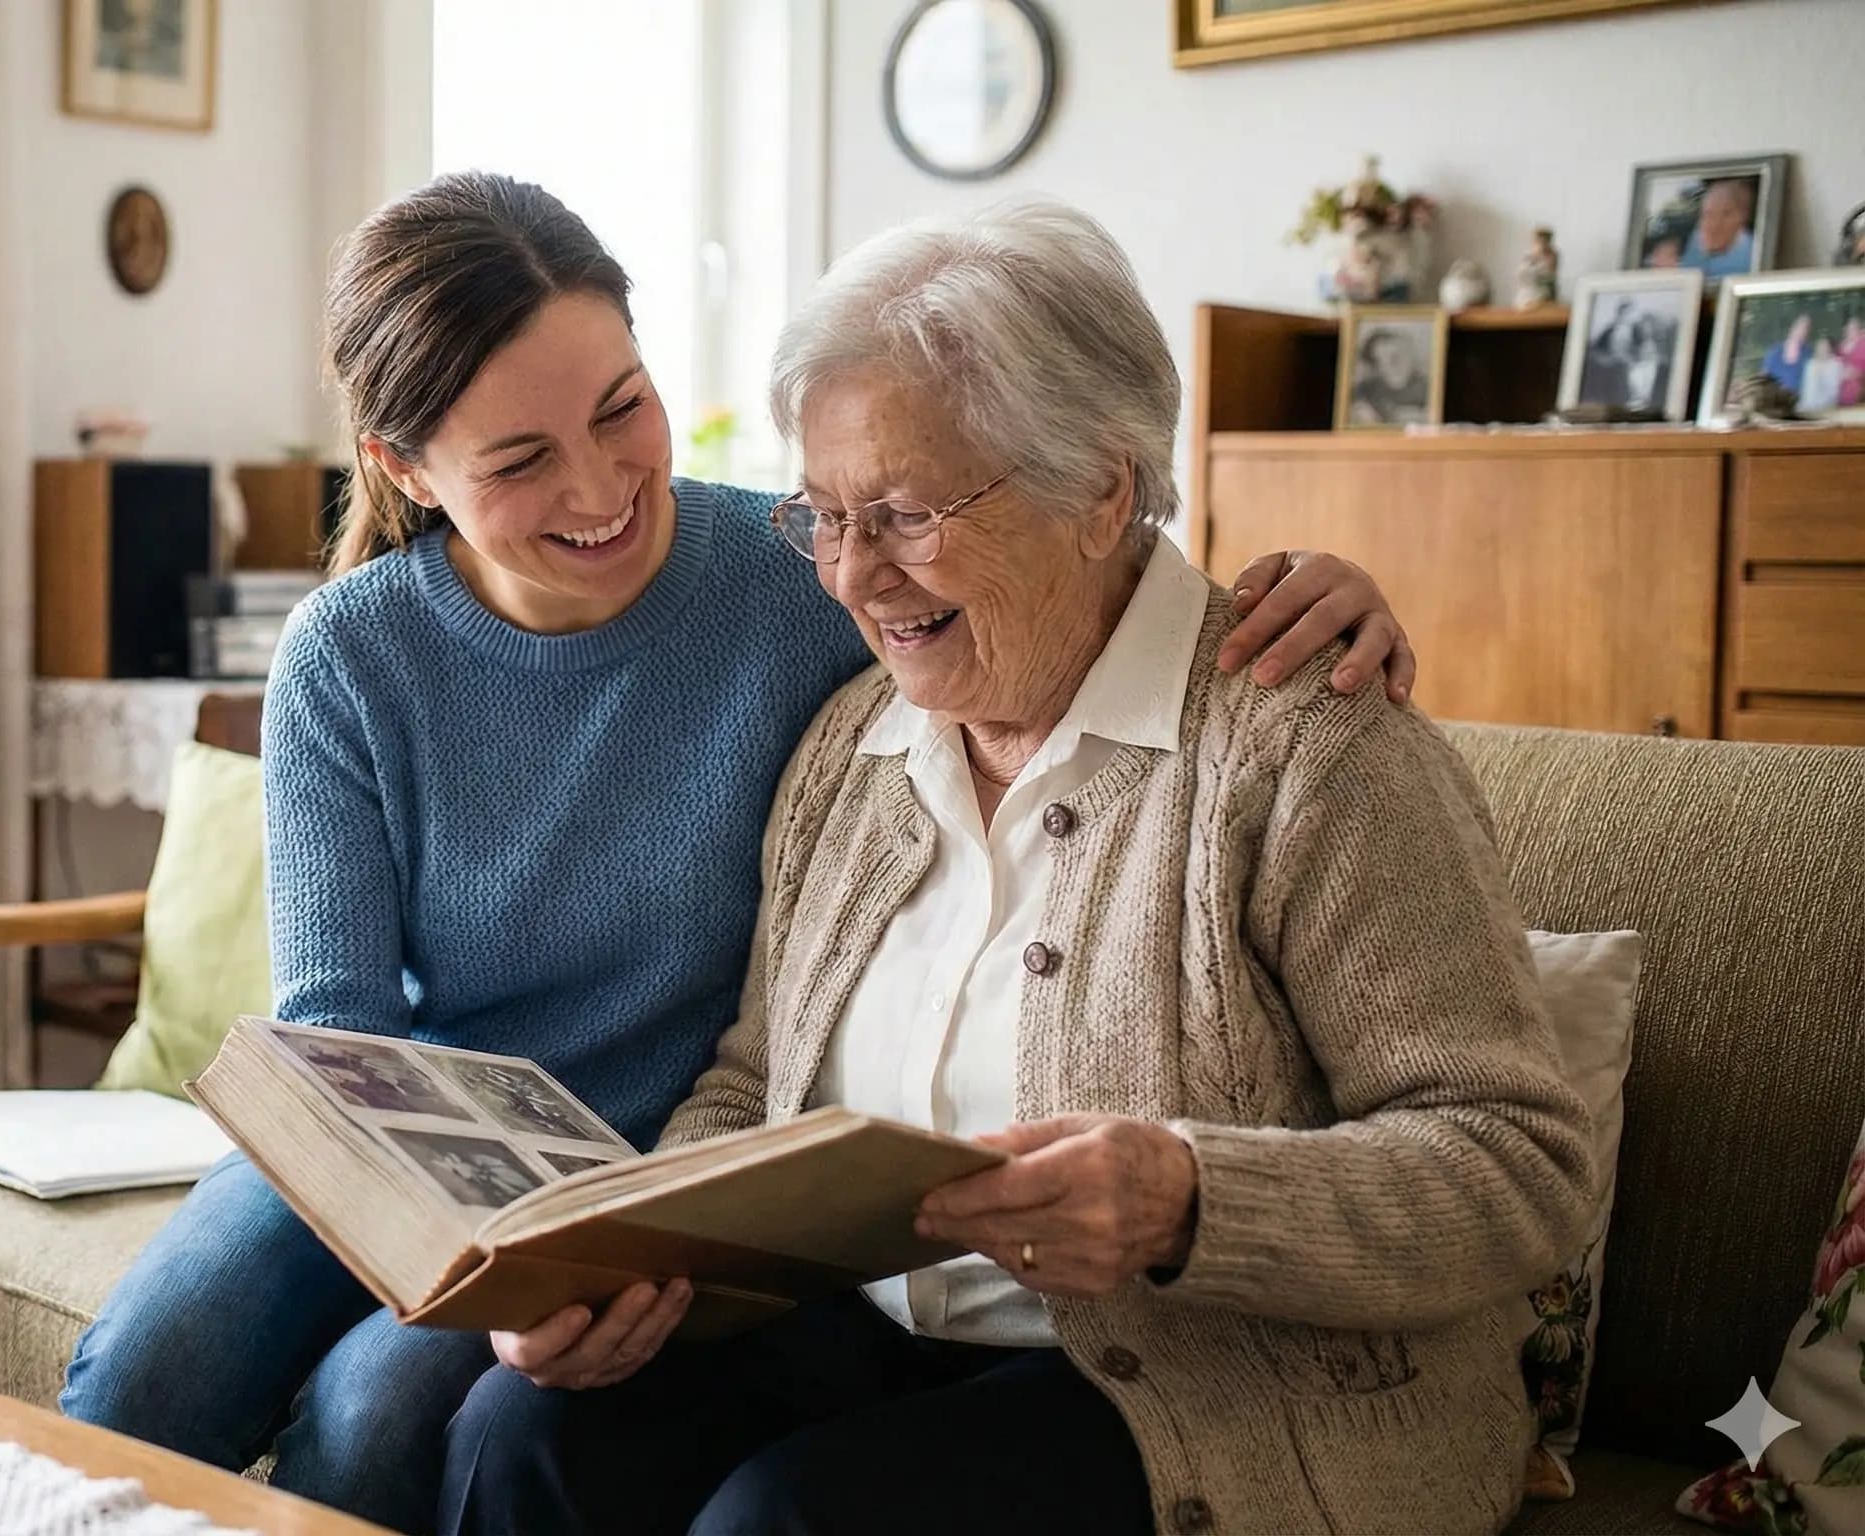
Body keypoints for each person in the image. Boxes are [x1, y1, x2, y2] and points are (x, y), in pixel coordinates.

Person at [55, 173, 1419, 1533]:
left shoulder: (803, 573)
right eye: (521, 461)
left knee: (377, 1417)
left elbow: (1053, 567)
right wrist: (461, 1251)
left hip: (661, 1159)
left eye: (621, 408)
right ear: (407, 471)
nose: (598, 487)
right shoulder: (351, 657)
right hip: (414, 1150)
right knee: (145, 1371)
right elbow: (337, 1037)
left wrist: (1298, 590)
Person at [442, 200, 1595, 1536]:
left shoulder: (1311, 751)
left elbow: (1518, 1165)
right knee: (523, 1437)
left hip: (1210, 1387)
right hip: (873, 1336)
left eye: (906, 512)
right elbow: (758, 1080)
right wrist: (642, 1263)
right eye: (821, 516)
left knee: (789, 1525)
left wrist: (1191, 1204)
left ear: (1102, 486)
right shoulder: (851, 749)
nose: (854, 576)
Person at [1347, 327, 1428, 425]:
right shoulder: (1364, 390)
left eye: (1397, 355)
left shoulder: (1427, 387)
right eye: (1382, 359)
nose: (1391, 364)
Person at [1683, 178, 1758, 278]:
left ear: (1743, 217)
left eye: (1726, 214)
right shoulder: (1694, 246)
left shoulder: (1753, 257)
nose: (1714, 224)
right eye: (1708, 214)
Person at [1765, 313, 1817, 394]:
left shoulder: (1808, 352)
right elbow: (1765, 377)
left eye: (1806, 329)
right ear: (1792, 328)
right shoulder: (1775, 351)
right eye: (1800, 327)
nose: (1802, 331)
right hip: (1776, 399)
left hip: (1798, 401)